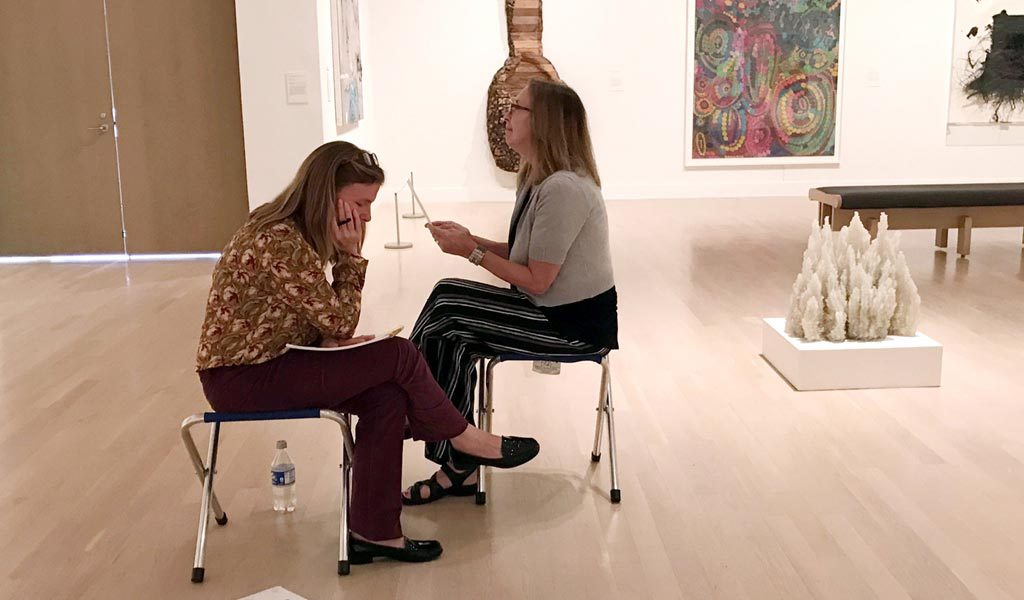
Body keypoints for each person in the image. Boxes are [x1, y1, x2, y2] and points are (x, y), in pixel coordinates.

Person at [195, 141, 539, 565]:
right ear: (328, 194)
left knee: (387, 395)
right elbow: (340, 321)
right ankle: (463, 438)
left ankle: (375, 532)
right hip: (241, 379)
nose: (369, 215)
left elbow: (304, 318)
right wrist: (351, 257)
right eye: (361, 202)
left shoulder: (293, 230)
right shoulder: (278, 238)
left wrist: (328, 342)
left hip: (276, 360)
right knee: (399, 355)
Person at [403, 79, 618, 505]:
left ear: (545, 123)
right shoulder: (538, 179)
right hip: (546, 309)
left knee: (449, 304)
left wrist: (471, 251)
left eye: (516, 109)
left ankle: (424, 419)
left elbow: (536, 279)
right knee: (451, 320)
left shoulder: (564, 189)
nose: (506, 115)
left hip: (570, 324)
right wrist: (470, 240)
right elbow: (526, 257)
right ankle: (453, 446)